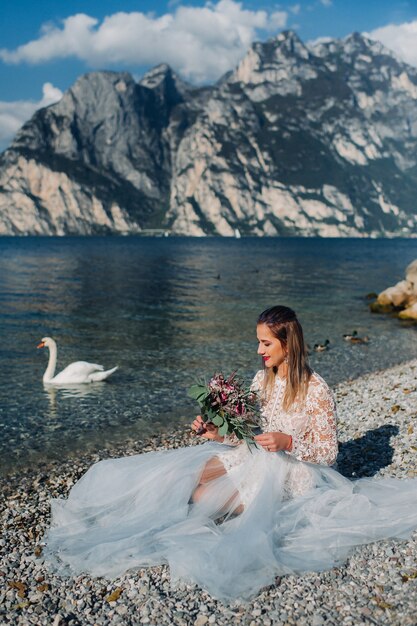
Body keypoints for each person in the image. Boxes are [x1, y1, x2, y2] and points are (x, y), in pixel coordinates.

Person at [43, 306, 417, 603]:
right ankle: (142, 518)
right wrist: (216, 432)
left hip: (293, 473)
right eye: (258, 342)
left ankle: (199, 521)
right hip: (255, 456)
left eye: (266, 344)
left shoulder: (317, 390)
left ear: (289, 343)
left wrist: (288, 443)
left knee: (204, 496)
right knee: (182, 476)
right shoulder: (261, 380)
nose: (258, 351)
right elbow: (248, 437)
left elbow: (327, 453)